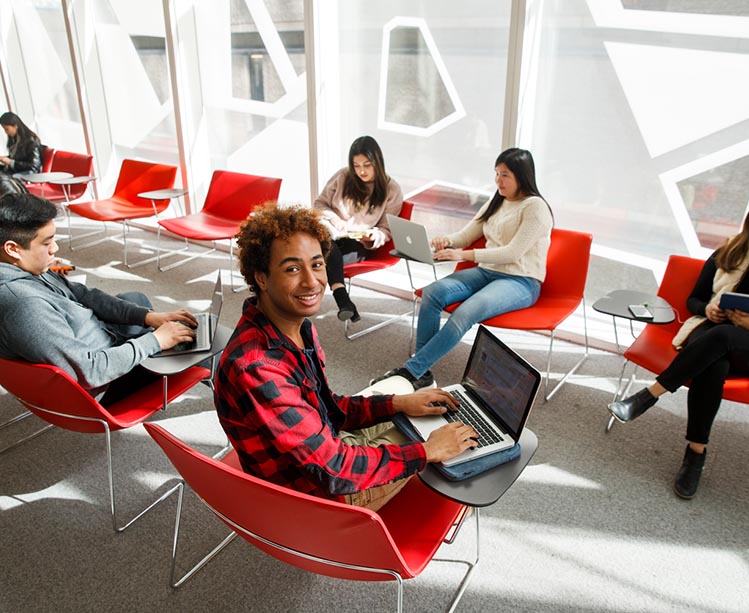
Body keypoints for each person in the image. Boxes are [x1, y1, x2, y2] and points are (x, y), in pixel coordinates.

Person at [215, 204, 478, 511]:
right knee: (447, 446)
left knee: (409, 398)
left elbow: (329, 409)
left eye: (316, 265)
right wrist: (427, 451)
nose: (312, 282)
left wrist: (397, 404)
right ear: (261, 278)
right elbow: (334, 470)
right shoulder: (257, 368)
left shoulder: (297, 329)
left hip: (322, 451)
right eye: (292, 269)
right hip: (320, 499)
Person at [608, 187, 749, 499]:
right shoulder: (729, 250)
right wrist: (708, 309)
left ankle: (649, 395)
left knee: (722, 339)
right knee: (715, 362)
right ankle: (696, 453)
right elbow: (693, 300)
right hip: (715, 333)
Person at [372, 147, 554, 390]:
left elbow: (513, 252)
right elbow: (467, 234)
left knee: (465, 313)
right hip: (487, 272)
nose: (498, 180)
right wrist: (446, 241)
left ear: (523, 176)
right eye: (496, 173)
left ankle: (411, 371)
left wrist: (462, 254)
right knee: (433, 293)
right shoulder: (497, 201)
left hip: (520, 281)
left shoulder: (535, 207)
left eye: (505, 175)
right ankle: (422, 372)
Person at [0, 192, 199, 403]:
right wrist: (154, 341)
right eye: (46, 243)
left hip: (99, 341)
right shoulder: (26, 306)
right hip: (103, 381)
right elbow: (91, 371)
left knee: (137, 301)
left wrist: (147, 317)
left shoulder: (26, 268)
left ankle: (156, 334)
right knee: (203, 347)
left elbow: (84, 295)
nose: (55, 248)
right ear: (13, 249)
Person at [313, 135, 403, 322]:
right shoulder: (343, 176)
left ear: (378, 162)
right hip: (329, 234)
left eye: (367, 165)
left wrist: (373, 235)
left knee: (317, 259)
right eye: (356, 165)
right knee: (323, 246)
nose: (361, 171)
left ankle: (340, 299)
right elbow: (319, 204)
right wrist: (334, 218)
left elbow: (386, 230)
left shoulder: (391, 189)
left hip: (357, 244)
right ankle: (343, 299)